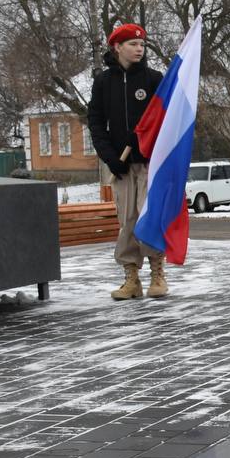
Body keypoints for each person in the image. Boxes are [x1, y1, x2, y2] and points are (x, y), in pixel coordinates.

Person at [87, 23, 166, 301]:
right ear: (117, 47)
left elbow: (164, 118)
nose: (139, 49)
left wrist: (148, 143)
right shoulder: (103, 82)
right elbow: (96, 123)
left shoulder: (154, 79)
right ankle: (131, 277)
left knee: (149, 217)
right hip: (121, 165)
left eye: (142, 45)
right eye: (133, 44)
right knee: (127, 220)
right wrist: (109, 157)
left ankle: (158, 271)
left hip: (148, 162)